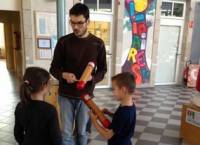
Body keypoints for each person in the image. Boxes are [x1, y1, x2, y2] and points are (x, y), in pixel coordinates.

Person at [49, 3, 107, 145]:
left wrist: (91, 77)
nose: (75, 27)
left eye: (80, 23)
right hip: (65, 95)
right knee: (66, 133)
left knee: (82, 132)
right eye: (72, 23)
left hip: (85, 96)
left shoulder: (98, 43)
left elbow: (102, 70)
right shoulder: (63, 42)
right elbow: (53, 68)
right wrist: (64, 75)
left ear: (88, 21)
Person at [14, 67, 62, 145]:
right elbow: (57, 139)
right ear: (44, 86)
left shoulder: (20, 106)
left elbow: (17, 134)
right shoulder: (50, 110)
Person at [89, 72, 136, 145]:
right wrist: (109, 113)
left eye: (114, 89)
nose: (112, 92)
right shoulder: (130, 106)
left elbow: (107, 135)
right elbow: (121, 121)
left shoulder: (123, 113)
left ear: (123, 90)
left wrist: (94, 121)